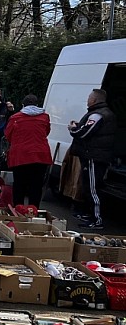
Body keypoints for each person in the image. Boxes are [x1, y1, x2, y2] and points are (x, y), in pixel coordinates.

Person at [68, 88, 116, 230]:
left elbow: (83, 133)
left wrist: (72, 128)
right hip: (95, 155)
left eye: (89, 97)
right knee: (89, 187)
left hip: (94, 156)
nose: (87, 100)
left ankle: (97, 220)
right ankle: (90, 214)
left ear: (94, 100)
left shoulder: (97, 115)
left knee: (93, 189)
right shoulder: (101, 113)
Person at [4, 94, 52, 208]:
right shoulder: (45, 117)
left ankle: (18, 210)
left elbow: (8, 135)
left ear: (23, 105)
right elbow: (46, 131)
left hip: (21, 155)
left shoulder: (15, 118)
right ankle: (34, 210)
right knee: (36, 185)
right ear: (37, 105)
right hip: (40, 155)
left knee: (19, 184)